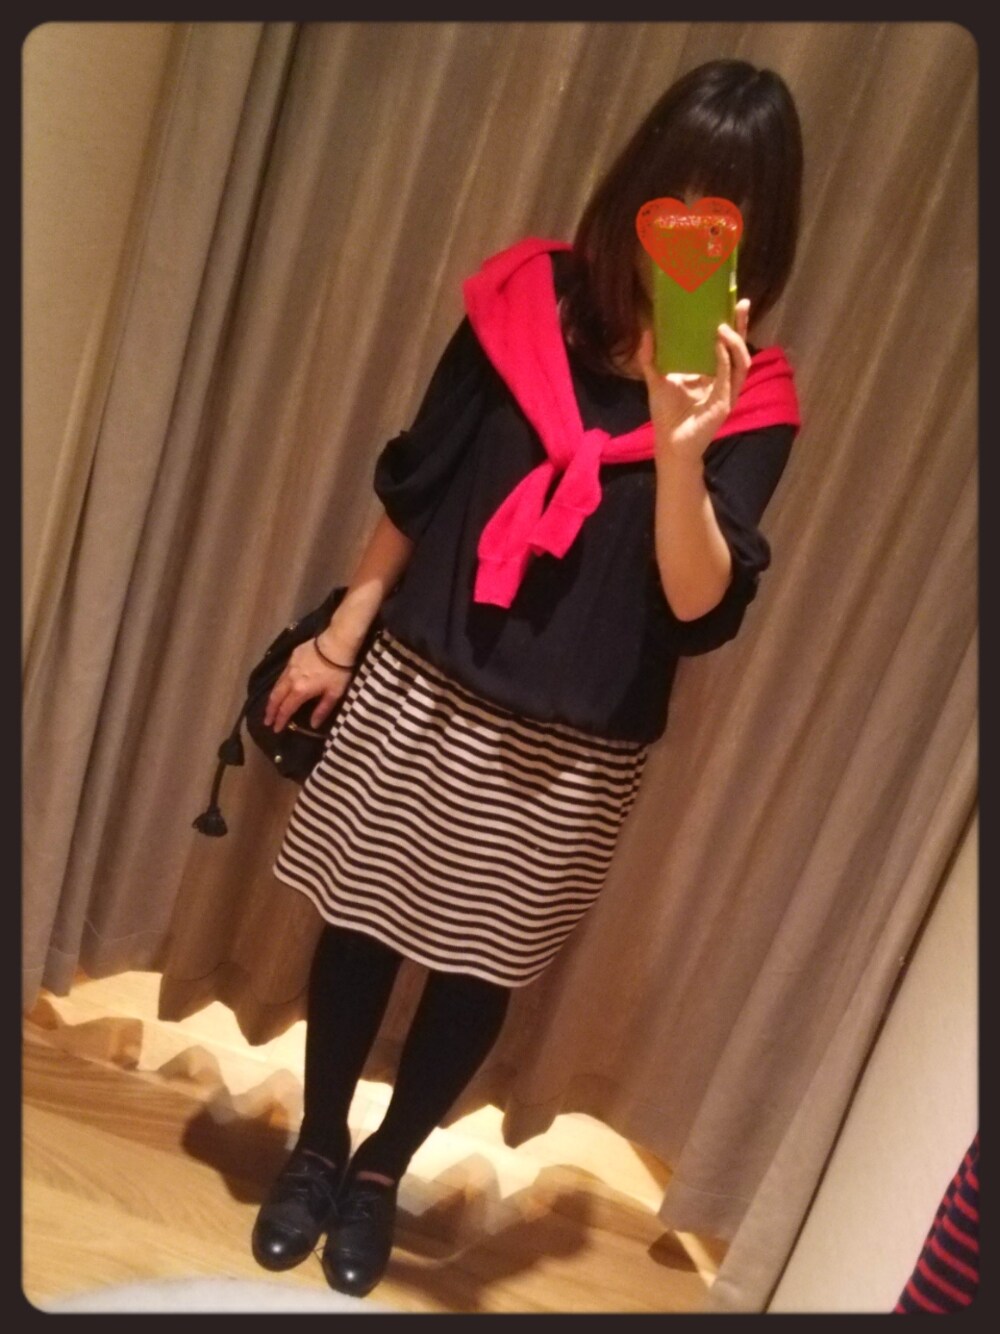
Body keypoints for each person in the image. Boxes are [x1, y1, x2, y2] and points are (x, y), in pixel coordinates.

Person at [251, 57, 804, 1299]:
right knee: (358, 926)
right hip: (420, 682)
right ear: (634, 187)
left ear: (757, 238)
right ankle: (318, 1143)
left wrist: (682, 447)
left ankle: (383, 1169)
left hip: (573, 746)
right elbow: (419, 478)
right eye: (675, 198)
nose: (687, 231)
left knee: (473, 971)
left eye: (722, 216)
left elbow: (697, 604)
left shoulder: (751, 397)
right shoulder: (521, 301)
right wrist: (338, 633)